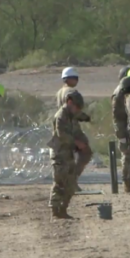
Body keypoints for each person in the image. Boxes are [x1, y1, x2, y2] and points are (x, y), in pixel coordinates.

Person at [48, 89, 85, 220]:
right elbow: (61, 134)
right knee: (59, 182)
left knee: (70, 183)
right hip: (59, 154)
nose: (77, 110)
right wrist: (76, 142)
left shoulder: (70, 116)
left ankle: (63, 209)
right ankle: (55, 210)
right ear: (69, 102)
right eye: (76, 107)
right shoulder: (61, 116)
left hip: (67, 153)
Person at [56, 67, 92, 192]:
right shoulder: (71, 92)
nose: (76, 80)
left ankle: (70, 181)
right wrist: (85, 117)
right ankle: (72, 180)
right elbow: (73, 109)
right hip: (72, 128)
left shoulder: (60, 92)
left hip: (65, 126)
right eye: (75, 78)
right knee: (86, 152)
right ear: (69, 79)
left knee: (70, 157)